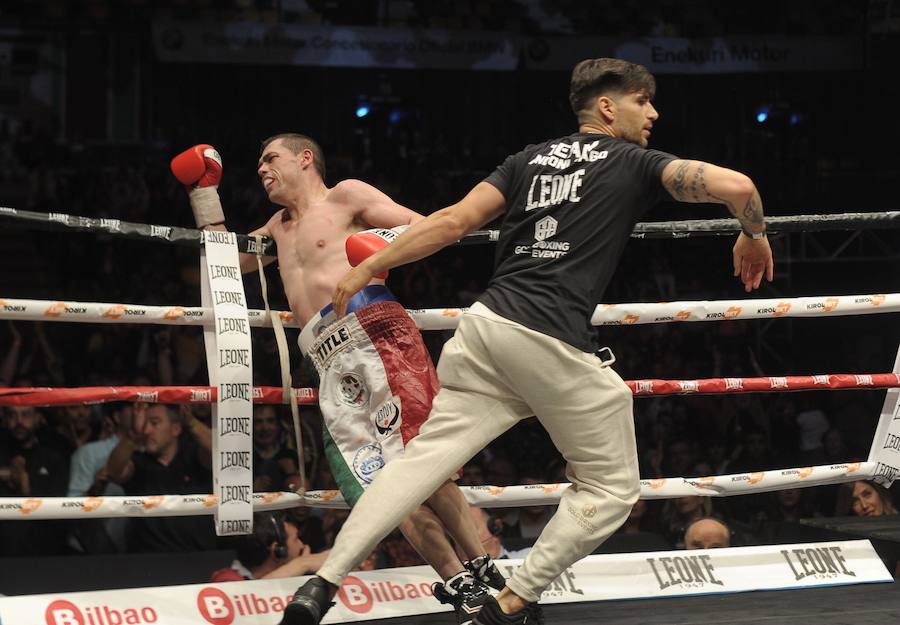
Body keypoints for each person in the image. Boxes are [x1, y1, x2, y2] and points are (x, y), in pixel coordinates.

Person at [282, 57, 774, 625]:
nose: (654, 113)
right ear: (609, 107)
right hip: (548, 335)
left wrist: (370, 267)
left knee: (418, 462)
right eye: (644, 101)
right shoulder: (634, 160)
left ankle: (320, 585)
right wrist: (753, 234)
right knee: (611, 487)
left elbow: (450, 221)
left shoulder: (525, 160)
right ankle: (513, 598)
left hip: (483, 331)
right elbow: (739, 187)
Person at [171, 134, 504, 621]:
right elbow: (228, 263)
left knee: (422, 462)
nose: (261, 168)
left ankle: (483, 566)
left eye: (270, 158)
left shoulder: (346, 195)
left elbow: (423, 227)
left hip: (377, 332)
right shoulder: (276, 228)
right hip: (326, 358)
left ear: (305, 158)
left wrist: (376, 255)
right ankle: (459, 583)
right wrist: (204, 193)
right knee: (383, 484)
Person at [105, 403, 216, 552]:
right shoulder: (138, 462)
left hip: (201, 557)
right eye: (145, 424)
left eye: (154, 423)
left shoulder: (193, 457)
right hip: (149, 561)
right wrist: (133, 436)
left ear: (176, 429)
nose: (147, 430)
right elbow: (113, 471)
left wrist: (191, 422)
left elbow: (220, 451)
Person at [211, 511, 330, 582]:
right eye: (295, 539)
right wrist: (301, 564)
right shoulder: (227, 579)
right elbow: (250, 598)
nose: (302, 545)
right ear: (278, 551)